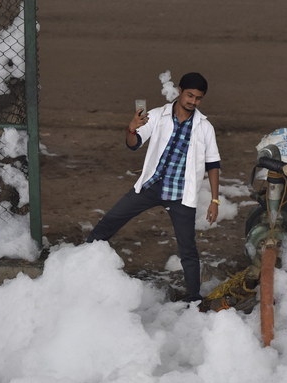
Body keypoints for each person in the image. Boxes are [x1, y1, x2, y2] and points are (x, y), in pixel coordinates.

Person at [87, 72, 221, 303]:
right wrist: (131, 128)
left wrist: (215, 200)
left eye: (198, 98)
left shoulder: (205, 127)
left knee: (188, 249)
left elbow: (213, 164)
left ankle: (193, 298)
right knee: (111, 220)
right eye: (190, 95)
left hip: (181, 195)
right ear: (180, 91)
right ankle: (82, 262)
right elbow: (134, 145)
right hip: (151, 186)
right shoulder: (158, 116)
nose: (193, 101)